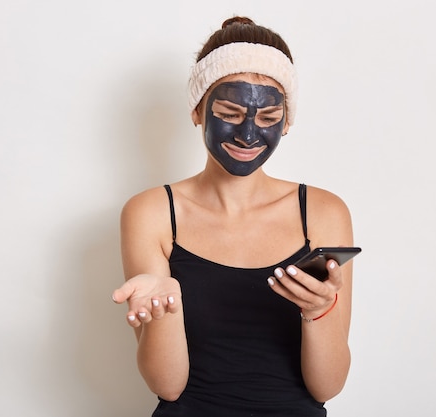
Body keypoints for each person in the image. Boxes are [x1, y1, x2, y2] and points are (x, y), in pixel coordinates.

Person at [112, 16, 355, 417]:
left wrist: (319, 311)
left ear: (287, 121)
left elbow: (327, 387)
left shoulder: (324, 212)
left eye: (268, 119)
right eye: (229, 111)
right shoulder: (152, 213)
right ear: (197, 110)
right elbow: (168, 388)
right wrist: (164, 309)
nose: (247, 135)